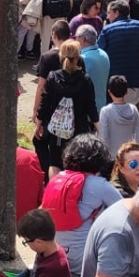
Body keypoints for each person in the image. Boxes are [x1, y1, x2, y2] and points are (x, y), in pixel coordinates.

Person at [45, 135, 124, 277]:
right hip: (82, 261)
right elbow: (126, 211)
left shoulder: (57, 178)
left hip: (55, 255)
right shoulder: (100, 185)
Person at [35, 40, 98, 177]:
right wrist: (98, 126)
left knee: (55, 163)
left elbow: (45, 103)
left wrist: (39, 123)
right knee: (76, 165)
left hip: (58, 129)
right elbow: (91, 107)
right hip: (79, 129)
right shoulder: (85, 80)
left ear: (61, 56)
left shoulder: (53, 77)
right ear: (78, 57)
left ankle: (55, 193)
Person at [98, 0, 139, 111]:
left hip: (114, 82)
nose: (107, 17)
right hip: (136, 82)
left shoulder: (107, 30)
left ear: (116, 12)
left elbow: (99, 55)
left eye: (109, 13)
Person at [98, 75, 139, 152]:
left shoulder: (105, 111)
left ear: (109, 92)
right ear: (126, 92)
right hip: (128, 153)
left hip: (112, 155)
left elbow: (103, 137)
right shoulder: (134, 109)